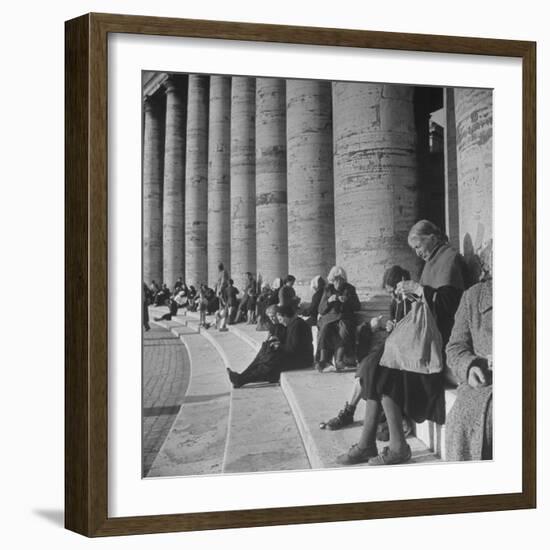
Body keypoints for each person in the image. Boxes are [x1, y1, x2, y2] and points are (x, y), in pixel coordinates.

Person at [338, 220, 466, 466]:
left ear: (432, 236)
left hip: (439, 342)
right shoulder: (431, 263)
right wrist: (413, 294)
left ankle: (394, 446)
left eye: (418, 245)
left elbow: (451, 307)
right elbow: (429, 300)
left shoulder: (450, 259)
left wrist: (419, 289)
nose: (417, 252)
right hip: (423, 337)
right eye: (414, 249)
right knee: (375, 365)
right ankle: (371, 444)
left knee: (383, 370)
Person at [321, 266, 408, 431]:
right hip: (393, 345)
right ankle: (348, 411)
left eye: (393, 291)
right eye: (389, 292)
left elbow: (410, 329)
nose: (392, 296)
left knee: (368, 366)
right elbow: (321, 308)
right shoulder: (396, 302)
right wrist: (386, 325)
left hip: (402, 350)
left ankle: (349, 412)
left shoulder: (410, 301)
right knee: (366, 366)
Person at [445, 241, 493, 461]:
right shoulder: (472, 297)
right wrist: (470, 366)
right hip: (483, 384)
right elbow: (455, 347)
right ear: (488, 265)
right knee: (461, 421)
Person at [226, 305, 286, 388]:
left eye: (273, 317)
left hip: (274, 357)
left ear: (278, 315)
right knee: (255, 363)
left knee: (260, 365)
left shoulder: (281, 327)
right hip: (268, 352)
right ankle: (240, 377)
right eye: (270, 317)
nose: (271, 319)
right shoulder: (274, 326)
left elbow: (278, 343)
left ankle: (240, 379)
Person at [316, 266, 361, 371]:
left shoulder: (350, 289)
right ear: (332, 279)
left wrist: (347, 300)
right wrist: (329, 301)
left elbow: (358, 306)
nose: (338, 282)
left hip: (345, 317)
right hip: (329, 318)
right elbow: (320, 309)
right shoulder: (327, 289)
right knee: (325, 329)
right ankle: (323, 360)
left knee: (344, 328)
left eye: (341, 279)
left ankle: (339, 360)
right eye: (336, 279)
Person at [277, 304, 314, 371]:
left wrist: (279, 346)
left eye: (280, 319)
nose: (280, 322)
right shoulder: (293, 324)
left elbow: (295, 348)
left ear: (285, 316)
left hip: (302, 360)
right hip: (298, 357)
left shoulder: (298, 325)